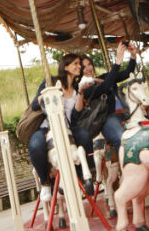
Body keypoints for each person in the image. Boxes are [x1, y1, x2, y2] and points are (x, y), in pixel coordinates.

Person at [28, 53, 94, 202]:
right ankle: (45, 182)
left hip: (67, 127)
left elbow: (76, 114)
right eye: (75, 64)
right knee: (36, 146)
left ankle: (82, 174)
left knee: (84, 135)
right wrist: (49, 95)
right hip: (47, 127)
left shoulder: (76, 86)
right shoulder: (50, 81)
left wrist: (81, 92)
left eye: (79, 64)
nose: (79, 66)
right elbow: (34, 105)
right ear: (65, 67)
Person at [80, 41, 137, 154]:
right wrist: (118, 60)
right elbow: (106, 86)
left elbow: (127, 72)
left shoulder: (105, 77)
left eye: (89, 64)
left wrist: (133, 56)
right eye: (83, 67)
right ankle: (127, 162)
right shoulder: (85, 88)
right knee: (121, 137)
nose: (88, 68)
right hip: (108, 118)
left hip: (126, 112)